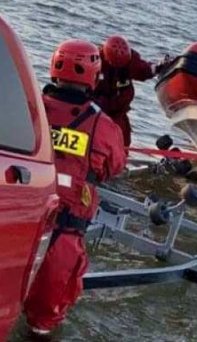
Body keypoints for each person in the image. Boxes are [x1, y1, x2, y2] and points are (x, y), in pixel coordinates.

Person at [24, 40, 127, 335]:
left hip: (17, 224)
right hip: (64, 236)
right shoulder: (103, 126)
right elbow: (114, 166)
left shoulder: (29, 105)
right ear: (94, 75)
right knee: (43, 321)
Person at [93, 35, 168, 148]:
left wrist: (158, 67)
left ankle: (120, 161)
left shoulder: (131, 61)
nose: (117, 66)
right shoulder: (95, 60)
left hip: (118, 112)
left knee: (123, 141)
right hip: (96, 111)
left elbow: (143, 70)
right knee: (96, 140)